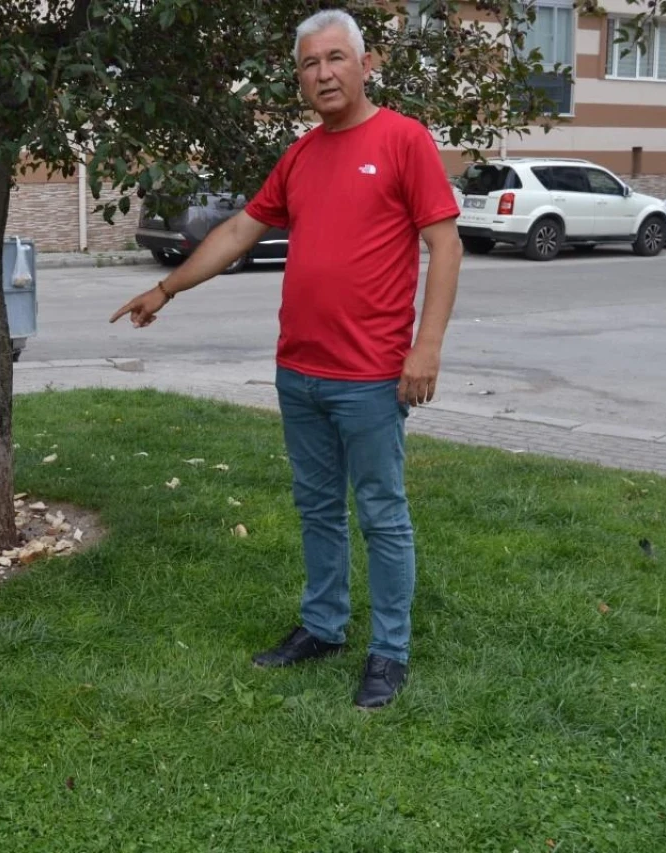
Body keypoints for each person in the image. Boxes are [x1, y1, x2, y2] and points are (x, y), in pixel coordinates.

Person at [110, 8, 462, 709]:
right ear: (299, 77)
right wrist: (166, 287)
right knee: (317, 509)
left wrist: (425, 347)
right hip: (299, 371)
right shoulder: (301, 156)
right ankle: (324, 626)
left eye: (336, 58)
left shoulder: (403, 140)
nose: (324, 73)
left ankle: (389, 651)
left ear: (366, 65)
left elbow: (445, 245)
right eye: (309, 63)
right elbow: (241, 229)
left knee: (383, 514)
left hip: (370, 375)